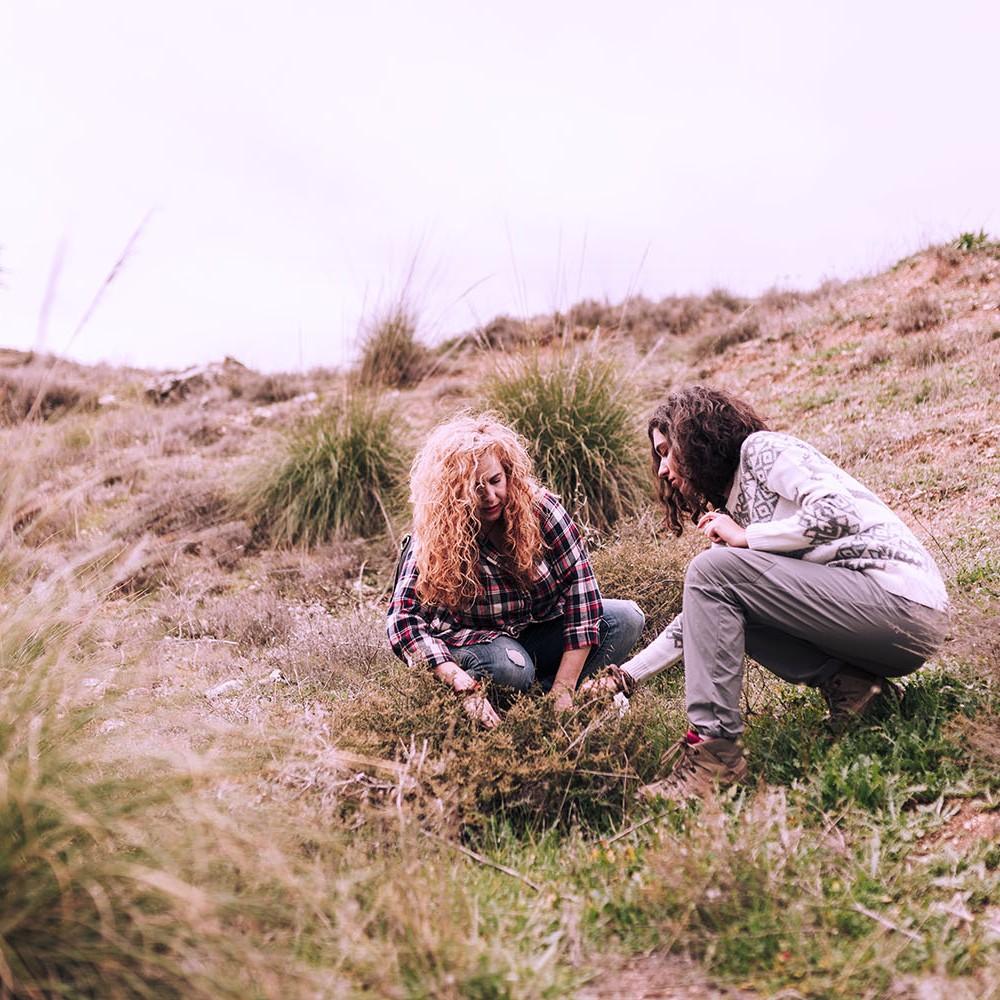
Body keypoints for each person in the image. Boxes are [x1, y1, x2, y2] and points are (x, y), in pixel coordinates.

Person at [587, 385, 950, 801]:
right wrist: (624, 676)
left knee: (713, 571)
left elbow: (838, 512)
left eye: (669, 451)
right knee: (720, 588)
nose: (663, 469)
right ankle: (860, 693)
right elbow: (700, 620)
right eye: (658, 457)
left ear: (697, 436)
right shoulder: (734, 507)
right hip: (872, 622)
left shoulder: (761, 450)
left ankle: (714, 755)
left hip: (902, 605)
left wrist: (747, 537)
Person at [387, 413, 645, 728]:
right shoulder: (435, 532)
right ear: (452, 491)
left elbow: (582, 594)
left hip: (540, 630)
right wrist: (459, 682)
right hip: (478, 644)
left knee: (626, 619)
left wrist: (563, 691)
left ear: (508, 473)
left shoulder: (542, 512)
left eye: (496, 481)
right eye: (475, 489)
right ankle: (499, 704)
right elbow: (402, 619)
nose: (490, 497)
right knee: (513, 669)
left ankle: (541, 706)